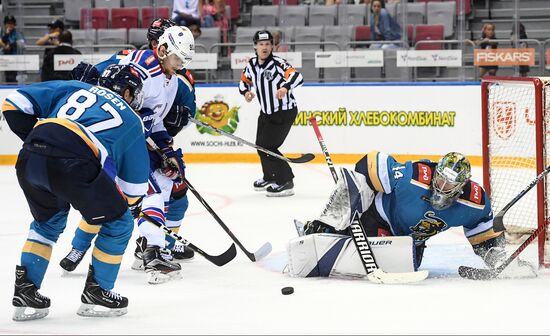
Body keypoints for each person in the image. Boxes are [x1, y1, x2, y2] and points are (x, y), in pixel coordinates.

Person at [2, 64, 150, 321]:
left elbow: (12, 103)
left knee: (46, 224)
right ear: (126, 92)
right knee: (120, 223)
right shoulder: (132, 119)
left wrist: (39, 140)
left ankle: (26, 291)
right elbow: (134, 188)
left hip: (31, 156)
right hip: (74, 162)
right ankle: (99, 291)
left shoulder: (77, 87)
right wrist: (130, 205)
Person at [62, 25, 196, 285]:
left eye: (184, 61)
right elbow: (116, 87)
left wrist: (165, 148)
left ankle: (154, 248)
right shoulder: (144, 66)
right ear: (163, 49)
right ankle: (149, 251)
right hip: (116, 142)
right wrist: (91, 79)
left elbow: (152, 118)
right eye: (177, 58)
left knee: (162, 185)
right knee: (112, 200)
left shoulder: (169, 77)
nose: (179, 65)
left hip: (134, 140)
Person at [289, 151, 536, 278]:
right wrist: (353, 194)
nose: (441, 186)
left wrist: (497, 259)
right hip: (376, 218)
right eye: (440, 178)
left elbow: (483, 235)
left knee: (403, 267)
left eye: (449, 184)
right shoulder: (414, 176)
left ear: (461, 186)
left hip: (409, 244)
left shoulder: (474, 202)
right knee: (358, 182)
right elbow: (371, 163)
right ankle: (324, 228)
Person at [239, 30, 304, 197]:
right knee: (260, 145)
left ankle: (286, 181)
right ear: (255, 46)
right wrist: (246, 93)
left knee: (268, 146)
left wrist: (285, 87)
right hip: (266, 112)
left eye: (268, 44)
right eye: (261, 44)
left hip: (284, 111)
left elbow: (297, 77)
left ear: (272, 46)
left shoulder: (278, 63)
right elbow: (243, 82)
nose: (264, 47)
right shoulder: (252, 64)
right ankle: (270, 176)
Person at [0, 15, 25, 83]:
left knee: (13, 80)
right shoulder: (1, 32)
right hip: (3, 60)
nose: (10, 25)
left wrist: (11, 45)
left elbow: (22, 43)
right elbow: (1, 42)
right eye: (8, 23)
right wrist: (7, 34)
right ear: (5, 24)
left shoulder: (17, 33)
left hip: (15, 60)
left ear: (14, 24)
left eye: (11, 23)